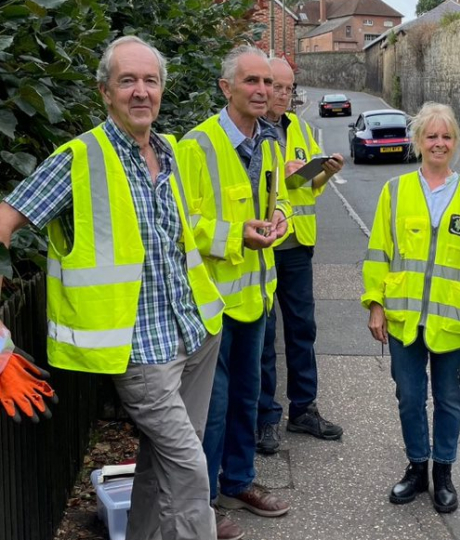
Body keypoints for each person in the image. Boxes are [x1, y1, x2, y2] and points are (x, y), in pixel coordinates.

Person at [0, 36, 224, 540]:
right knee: (189, 470)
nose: (141, 91)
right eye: (128, 81)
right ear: (105, 92)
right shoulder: (79, 157)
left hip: (197, 334)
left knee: (161, 463)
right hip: (139, 354)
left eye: (150, 80)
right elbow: (2, 223)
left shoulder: (166, 150)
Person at [177, 45, 291, 540]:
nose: (263, 91)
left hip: (255, 299)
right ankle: (200, 505)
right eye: (252, 82)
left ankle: (240, 480)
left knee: (247, 397)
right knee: (212, 408)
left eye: (267, 82)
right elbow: (180, 223)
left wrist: (281, 215)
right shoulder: (195, 145)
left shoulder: (269, 142)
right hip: (210, 303)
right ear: (227, 88)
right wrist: (234, 234)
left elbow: (277, 195)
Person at [362, 102, 460, 514]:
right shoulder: (396, 191)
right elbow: (378, 252)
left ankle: (444, 474)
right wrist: (375, 304)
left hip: (454, 319)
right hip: (403, 319)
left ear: (455, 143)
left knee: (449, 399)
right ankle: (417, 467)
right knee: (409, 396)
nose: (439, 143)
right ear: (418, 140)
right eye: (431, 136)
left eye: (447, 137)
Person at [256, 57, 345, 455]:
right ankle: (265, 418)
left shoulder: (301, 129)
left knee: (302, 330)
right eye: (277, 86)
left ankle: (303, 409)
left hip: (296, 246)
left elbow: (311, 189)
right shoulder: (249, 132)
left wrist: (325, 170)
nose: (283, 94)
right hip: (259, 247)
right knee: (262, 335)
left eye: (289, 88)